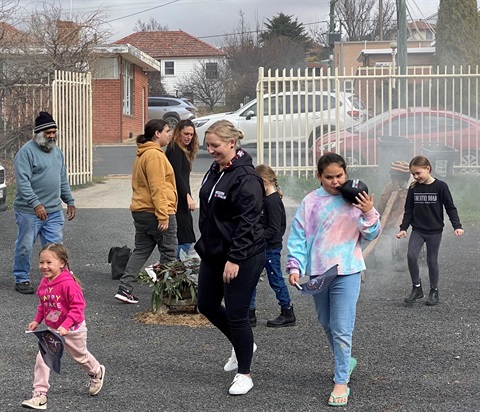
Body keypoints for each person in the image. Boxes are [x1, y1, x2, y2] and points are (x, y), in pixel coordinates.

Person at [287, 153, 380, 407]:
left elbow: (372, 233)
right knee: (326, 322)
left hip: (348, 270)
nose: (335, 182)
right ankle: (346, 360)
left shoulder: (355, 198)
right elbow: (298, 236)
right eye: (329, 177)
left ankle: (341, 382)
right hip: (319, 272)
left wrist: (369, 212)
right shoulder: (310, 202)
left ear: (346, 173)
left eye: (339, 176)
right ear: (319, 176)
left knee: (341, 327)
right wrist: (295, 265)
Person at [194, 120, 266, 396]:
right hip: (214, 252)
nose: (210, 150)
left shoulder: (246, 178)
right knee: (207, 305)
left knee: (237, 314)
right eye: (207, 145)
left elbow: (248, 223)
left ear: (232, 144)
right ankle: (242, 344)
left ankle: (244, 374)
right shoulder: (215, 169)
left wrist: (234, 258)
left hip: (242, 255)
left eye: (215, 145)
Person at [22, 243, 105, 409]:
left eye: (49, 262)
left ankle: (96, 371)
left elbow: (78, 308)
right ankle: (40, 395)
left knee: (80, 356)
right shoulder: (44, 284)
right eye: (41, 262)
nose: (44, 266)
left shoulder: (69, 284)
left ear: (62, 263)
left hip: (73, 330)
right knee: (43, 359)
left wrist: (66, 325)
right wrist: (37, 320)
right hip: (53, 330)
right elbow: (44, 305)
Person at [114, 119, 178, 304]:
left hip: (141, 210)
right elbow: (157, 187)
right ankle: (167, 295)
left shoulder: (142, 153)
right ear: (157, 133)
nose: (169, 134)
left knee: (141, 249)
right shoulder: (155, 156)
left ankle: (125, 288)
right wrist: (163, 214)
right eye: (167, 130)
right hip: (155, 211)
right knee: (168, 252)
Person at [13, 111, 76, 295]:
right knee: (25, 245)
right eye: (48, 133)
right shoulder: (25, 153)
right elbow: (23, 183)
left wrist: (69, 200)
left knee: (55, 247)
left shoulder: (57, 152)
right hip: (29, 211)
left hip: (54, 211)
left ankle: (56, 280)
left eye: (53, 132)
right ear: (38, 133)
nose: (51, 136)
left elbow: (61, 179)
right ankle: (21, 277)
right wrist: (36, 204)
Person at [396, 155, 464, 306]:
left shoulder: (441, 187)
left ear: (428, 169)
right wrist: (403, 228)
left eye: (418, 173)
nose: (415, 176)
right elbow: (408, 211)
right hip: (418, 230)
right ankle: (417, 288)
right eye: (413, 174)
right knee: (411, 255)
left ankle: (434, 290)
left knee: (431, 261)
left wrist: (457, 226)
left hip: (434, 231)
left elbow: (450, 208)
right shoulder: (413, 188)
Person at [249, 164, 295, 328]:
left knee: (275, 279)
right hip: (260, 246)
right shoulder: (265, 200)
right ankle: (250, 313)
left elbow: (275, 230)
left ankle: (287, 311)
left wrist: (256, 235)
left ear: (264, 182)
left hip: (270, 248)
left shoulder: (273, 202)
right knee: (251, 279)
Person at [165, 119, 199, 258]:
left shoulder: (182, 150)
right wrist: (187, 195)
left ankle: (176, 266)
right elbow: (176, 176)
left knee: (185, 235)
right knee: (184, 236)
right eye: (186, 133)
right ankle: (176, 267)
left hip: (182, 196)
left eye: (191, 134)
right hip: (177, 198)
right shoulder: (175, 149)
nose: (189, 137)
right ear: (178, 132)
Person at [376, 160, 411, 270]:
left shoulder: (412, 189)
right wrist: (388, 197)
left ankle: (400, 257)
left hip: (408, 222)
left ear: (405, 178)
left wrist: (402, 196)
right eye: (394, 178)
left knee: (399, 224)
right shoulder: (389, 188)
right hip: (389, 219)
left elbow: (407, 210)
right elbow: (381, 209)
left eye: (398, 178)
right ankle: (373, 256)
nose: (395, 181)